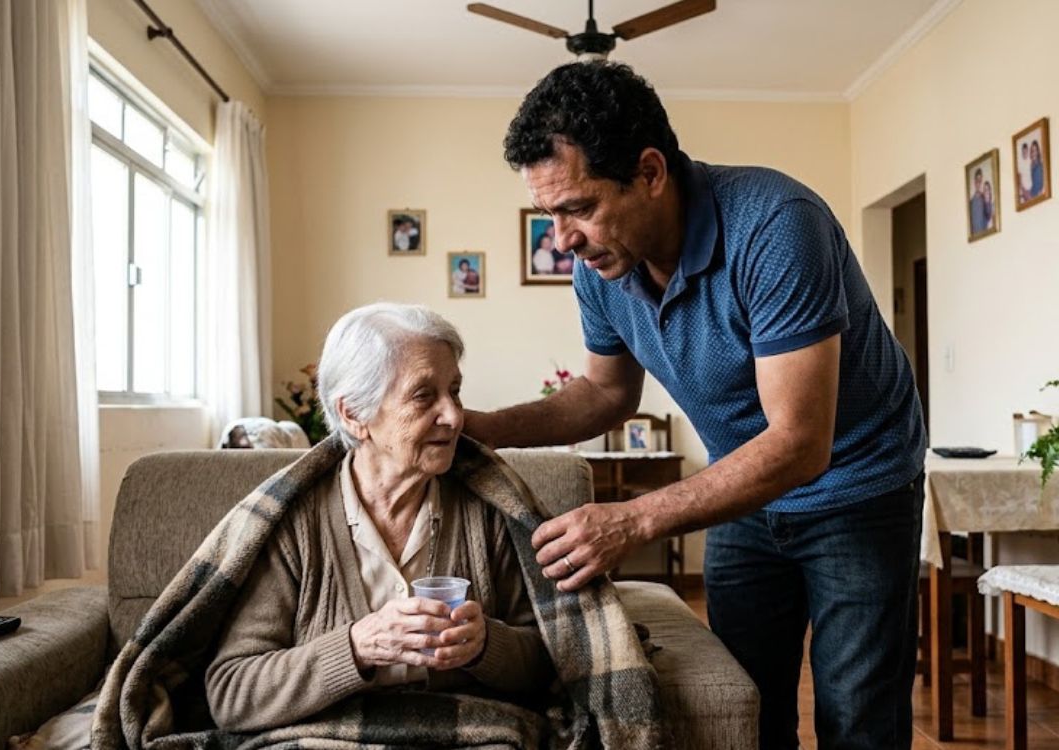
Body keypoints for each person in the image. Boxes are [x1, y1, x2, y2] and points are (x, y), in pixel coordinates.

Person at [464, 62, 926, 749]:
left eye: (579, 209)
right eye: (548, 216)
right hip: (746, 491)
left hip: (857, 488)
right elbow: (605, 393)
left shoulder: (775, 225)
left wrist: (632, 520)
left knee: (856, 714)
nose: (561, 241)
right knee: (747, 705)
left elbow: (800, 442)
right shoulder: (603, 266)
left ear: (650, 172)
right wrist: (483, 430)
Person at [204, 303, 553, 734]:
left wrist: (486, 646)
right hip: (324, 739)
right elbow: (231, 695)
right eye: (424, 395)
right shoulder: (296, 524)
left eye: (455, 391)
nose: (455, 416)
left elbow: (551, 661)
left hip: (468, 733)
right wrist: (356, 647)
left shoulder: (487, 510)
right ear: (354, 414)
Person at [970, 167, 988, 233]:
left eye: (980, 181)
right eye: (977, 180)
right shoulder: (971, 202)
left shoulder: (984, 198)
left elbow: (988, 216)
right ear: (974, 181)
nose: (978, 183)